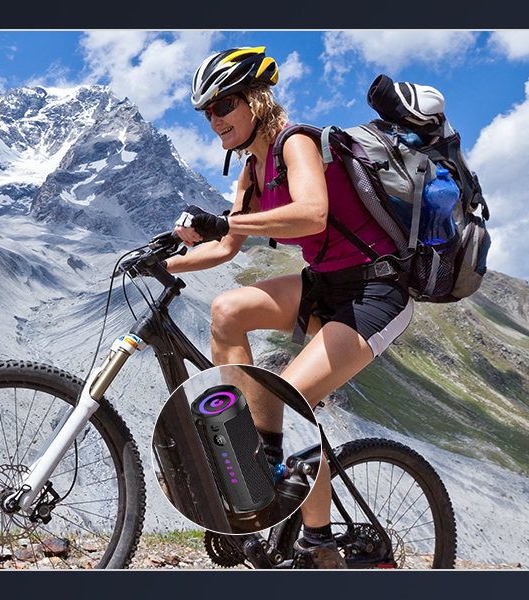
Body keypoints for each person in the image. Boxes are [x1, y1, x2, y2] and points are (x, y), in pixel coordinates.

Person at [165, 47, 414, 569]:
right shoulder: (251, 171)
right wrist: (166, 262)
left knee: (293, 397)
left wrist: (226, 223)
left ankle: (319, 542)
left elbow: (312, 216)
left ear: (255, 100)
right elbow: (225, 247)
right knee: (229, 309)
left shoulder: (295, 141)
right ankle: (259, 455)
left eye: (224, 105)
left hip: (375, 292)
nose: (215, 120)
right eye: (206, 112)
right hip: (324, 283)